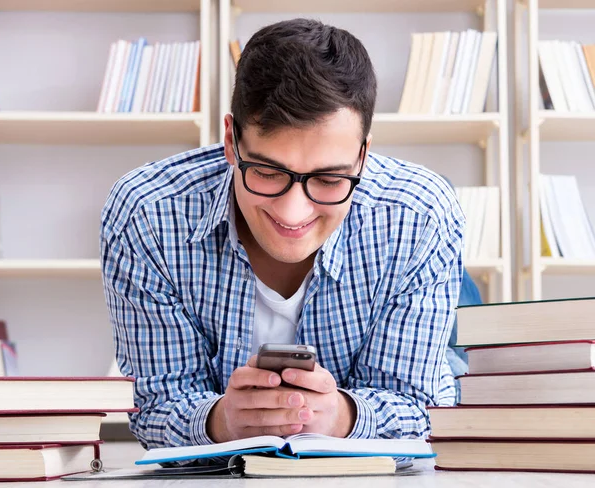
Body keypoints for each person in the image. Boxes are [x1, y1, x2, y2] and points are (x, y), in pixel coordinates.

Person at [100, 18, 464, 450]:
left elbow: (418, 406)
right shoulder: (146, 217)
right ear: (231, 141)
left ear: (363, 155)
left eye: (329, 179)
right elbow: (157, 406)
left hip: (415, 307)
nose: (294, 213)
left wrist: (343, 417)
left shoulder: (420, 216)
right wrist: (221, 422)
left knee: (461, 372)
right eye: (268, 172)